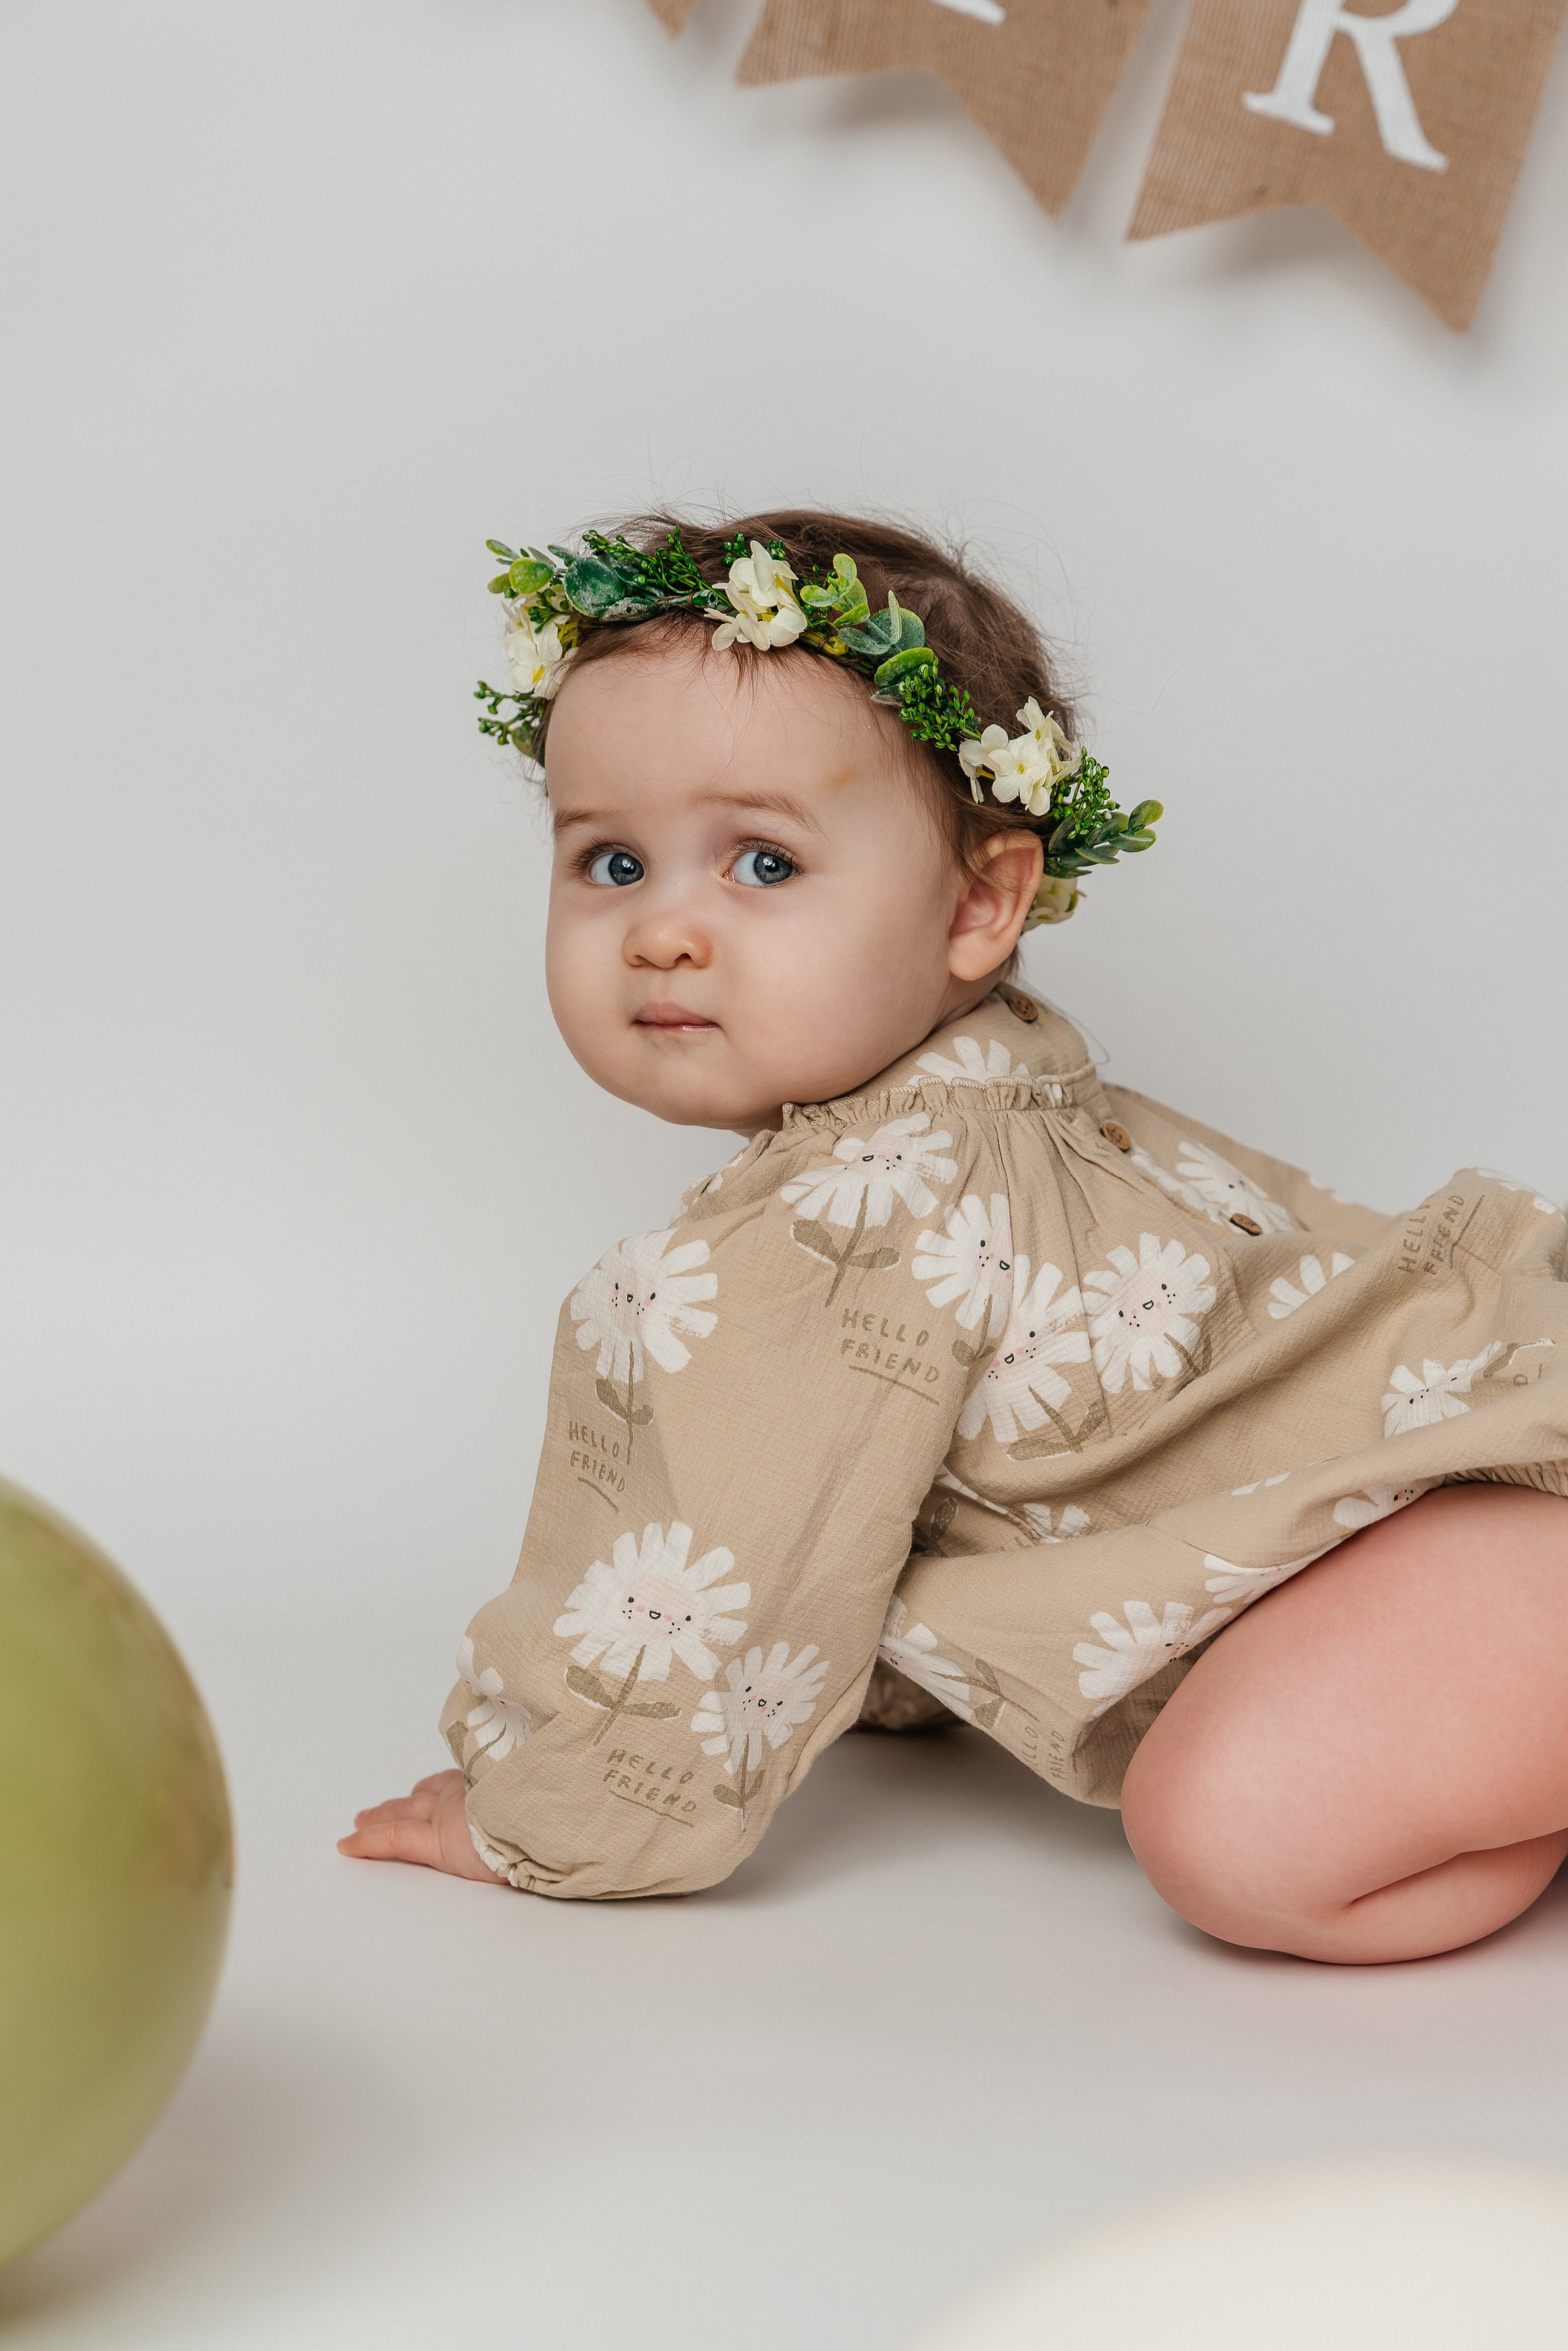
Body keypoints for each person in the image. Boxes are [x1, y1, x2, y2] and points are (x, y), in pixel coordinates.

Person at [340, 511, 1568, 1963]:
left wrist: (546, 1814)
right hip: (1472, 1492)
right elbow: (937, 1472)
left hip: (1492, 1509)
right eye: (612, 864)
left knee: (1242, 1834)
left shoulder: (843, 1220)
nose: (664, 931)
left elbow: (732, 1571)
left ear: (980, 901)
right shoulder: (996, 1083)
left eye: (762, 865)